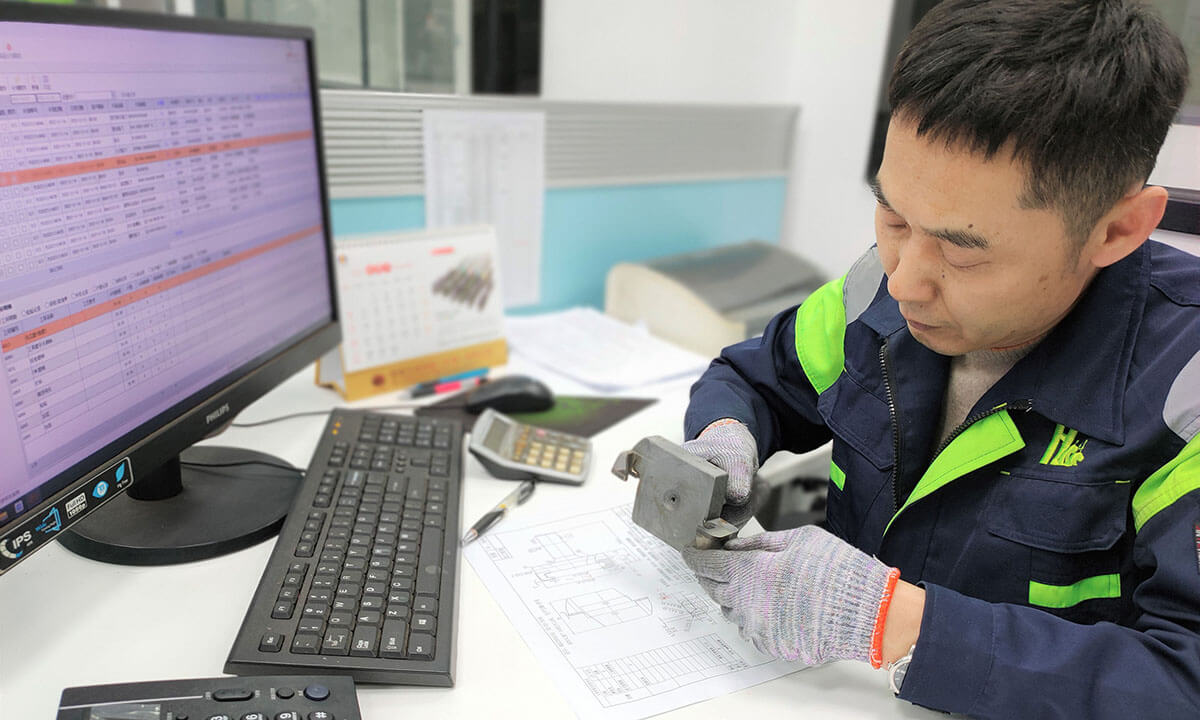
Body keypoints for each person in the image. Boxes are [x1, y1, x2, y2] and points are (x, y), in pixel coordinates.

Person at [678, 1, 1198, 717]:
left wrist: (901, 625)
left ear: (1117, 230)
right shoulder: (878, 287)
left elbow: (1184, 678)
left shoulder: (1185, 391)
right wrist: (724, 434)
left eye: (962, 250)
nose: (905, 282)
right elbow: (755, 378)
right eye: (893, 217)